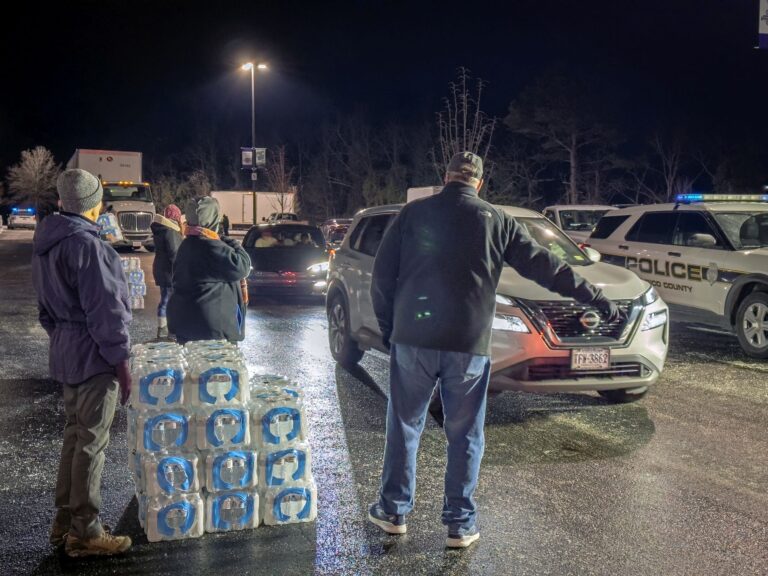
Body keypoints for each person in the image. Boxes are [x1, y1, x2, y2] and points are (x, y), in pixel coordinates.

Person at [368, 152, 622, 549]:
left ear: (446, 177)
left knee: (404, 425)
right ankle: (459, 524)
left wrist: (389, 328)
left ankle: (394, 512)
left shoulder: (413, 214)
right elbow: (548, 266)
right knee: (466, 433)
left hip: (413, 339)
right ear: (480, 183)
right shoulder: (498, 221)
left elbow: (382, 277)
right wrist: (594, 297)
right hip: (468, 344)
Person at [31, 169, 133, 558]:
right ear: (94, 204)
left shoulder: (47, 243)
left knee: (75, 437)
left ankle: (65, 521)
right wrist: (121, 361)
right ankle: (86, 531)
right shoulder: (90, 246)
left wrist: (64, 338)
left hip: (66, 350)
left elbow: (45, 312)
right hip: (94, 355)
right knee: (91, 442)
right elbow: (107, 312)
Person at [168, 197, 251, 344]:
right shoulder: (211, 245)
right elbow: (243, 266)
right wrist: (228, 240)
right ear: (213, 218)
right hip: (211, 330)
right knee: (215, 366)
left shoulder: (187, 244)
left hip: (187, 323)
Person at [150, 204, 183, 339]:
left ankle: (162, 328)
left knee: (165, 299)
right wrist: (180, 268)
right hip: (169, 272)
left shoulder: (161, 229)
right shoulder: (170, 231)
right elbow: (174, 253)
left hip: (161, 269)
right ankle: (170, 331)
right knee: (170, 301)